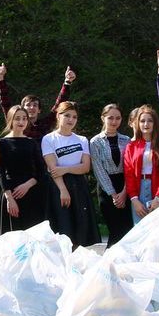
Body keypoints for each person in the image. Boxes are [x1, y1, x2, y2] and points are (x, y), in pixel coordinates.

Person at [42, 101, 99, 246]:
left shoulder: (82, 140)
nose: (71, 120)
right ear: (58, 116)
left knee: (83, 227)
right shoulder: (48, 139)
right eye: (67, 115)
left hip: (79, 186)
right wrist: (63, 190)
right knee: (63, 227)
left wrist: (65, 168)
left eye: (74, 117)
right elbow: (53, 169)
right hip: (59, 186)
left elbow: (85, 167)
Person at [0, 106, 47, 233]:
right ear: (10, 120)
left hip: (32, 194)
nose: (21, 122)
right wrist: (9, 198)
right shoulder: (1, 143)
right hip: (11, 195)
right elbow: (0, 172)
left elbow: (42, 170)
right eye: (17, 118)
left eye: (24, 119)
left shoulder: (32, 143)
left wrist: (27, 185)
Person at [0, 63, 74, 142]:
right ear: (22, 108)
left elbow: (59, 104)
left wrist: (67, 82)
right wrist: (1, 77)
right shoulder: (14, 120)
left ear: (39, 110)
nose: (32, 107)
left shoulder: (44, 124)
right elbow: (4, 100)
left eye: (35, 105)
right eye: (28, 105)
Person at [123, 105, 159, 225]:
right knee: (141, 230)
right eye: (142, 121)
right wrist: (134, 200)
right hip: (138, 190)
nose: (146, 124)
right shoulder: (131, 146)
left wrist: (158, 198)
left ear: (155, 123)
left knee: (158, 231)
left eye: (150, 120)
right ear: (138, 124)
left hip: (158, 190)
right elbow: (129, 174)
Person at [90, 104, 133, 245]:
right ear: (103, 118)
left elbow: (130, 167)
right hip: (106, 189)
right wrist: (114, 194)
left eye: (118, 118)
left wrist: (124, 192)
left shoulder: (126, 140)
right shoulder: (95, 141)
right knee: (115, 229)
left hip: (125, 185)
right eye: (110, 118)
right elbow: (98, 169)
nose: (114, 122)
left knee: (127, 229)